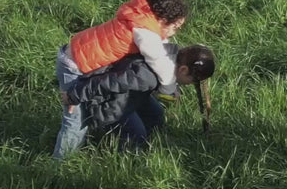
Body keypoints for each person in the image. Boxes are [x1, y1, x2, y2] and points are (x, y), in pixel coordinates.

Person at [53, 0, 189, 160]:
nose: (175, 32)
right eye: (176, 27)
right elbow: (158, 59)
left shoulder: (140, 17)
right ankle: (60, 163)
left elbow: (160, 45)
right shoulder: (144, 32)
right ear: (162, 20)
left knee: (81, 114)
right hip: (75, 66)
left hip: (80, 53)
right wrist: (169, 87)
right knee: (76, 120)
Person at [63, 44, 215, 153]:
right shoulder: (146, 76)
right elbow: (110, 82)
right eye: (192, 81)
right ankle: (128, 154)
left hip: (132, 95)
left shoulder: (168, 56)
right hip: (110, 105)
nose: (191, 85)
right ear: (183, 69)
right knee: (135, 134)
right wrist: (75, 95)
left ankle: (147, 144)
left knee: (156, 114)